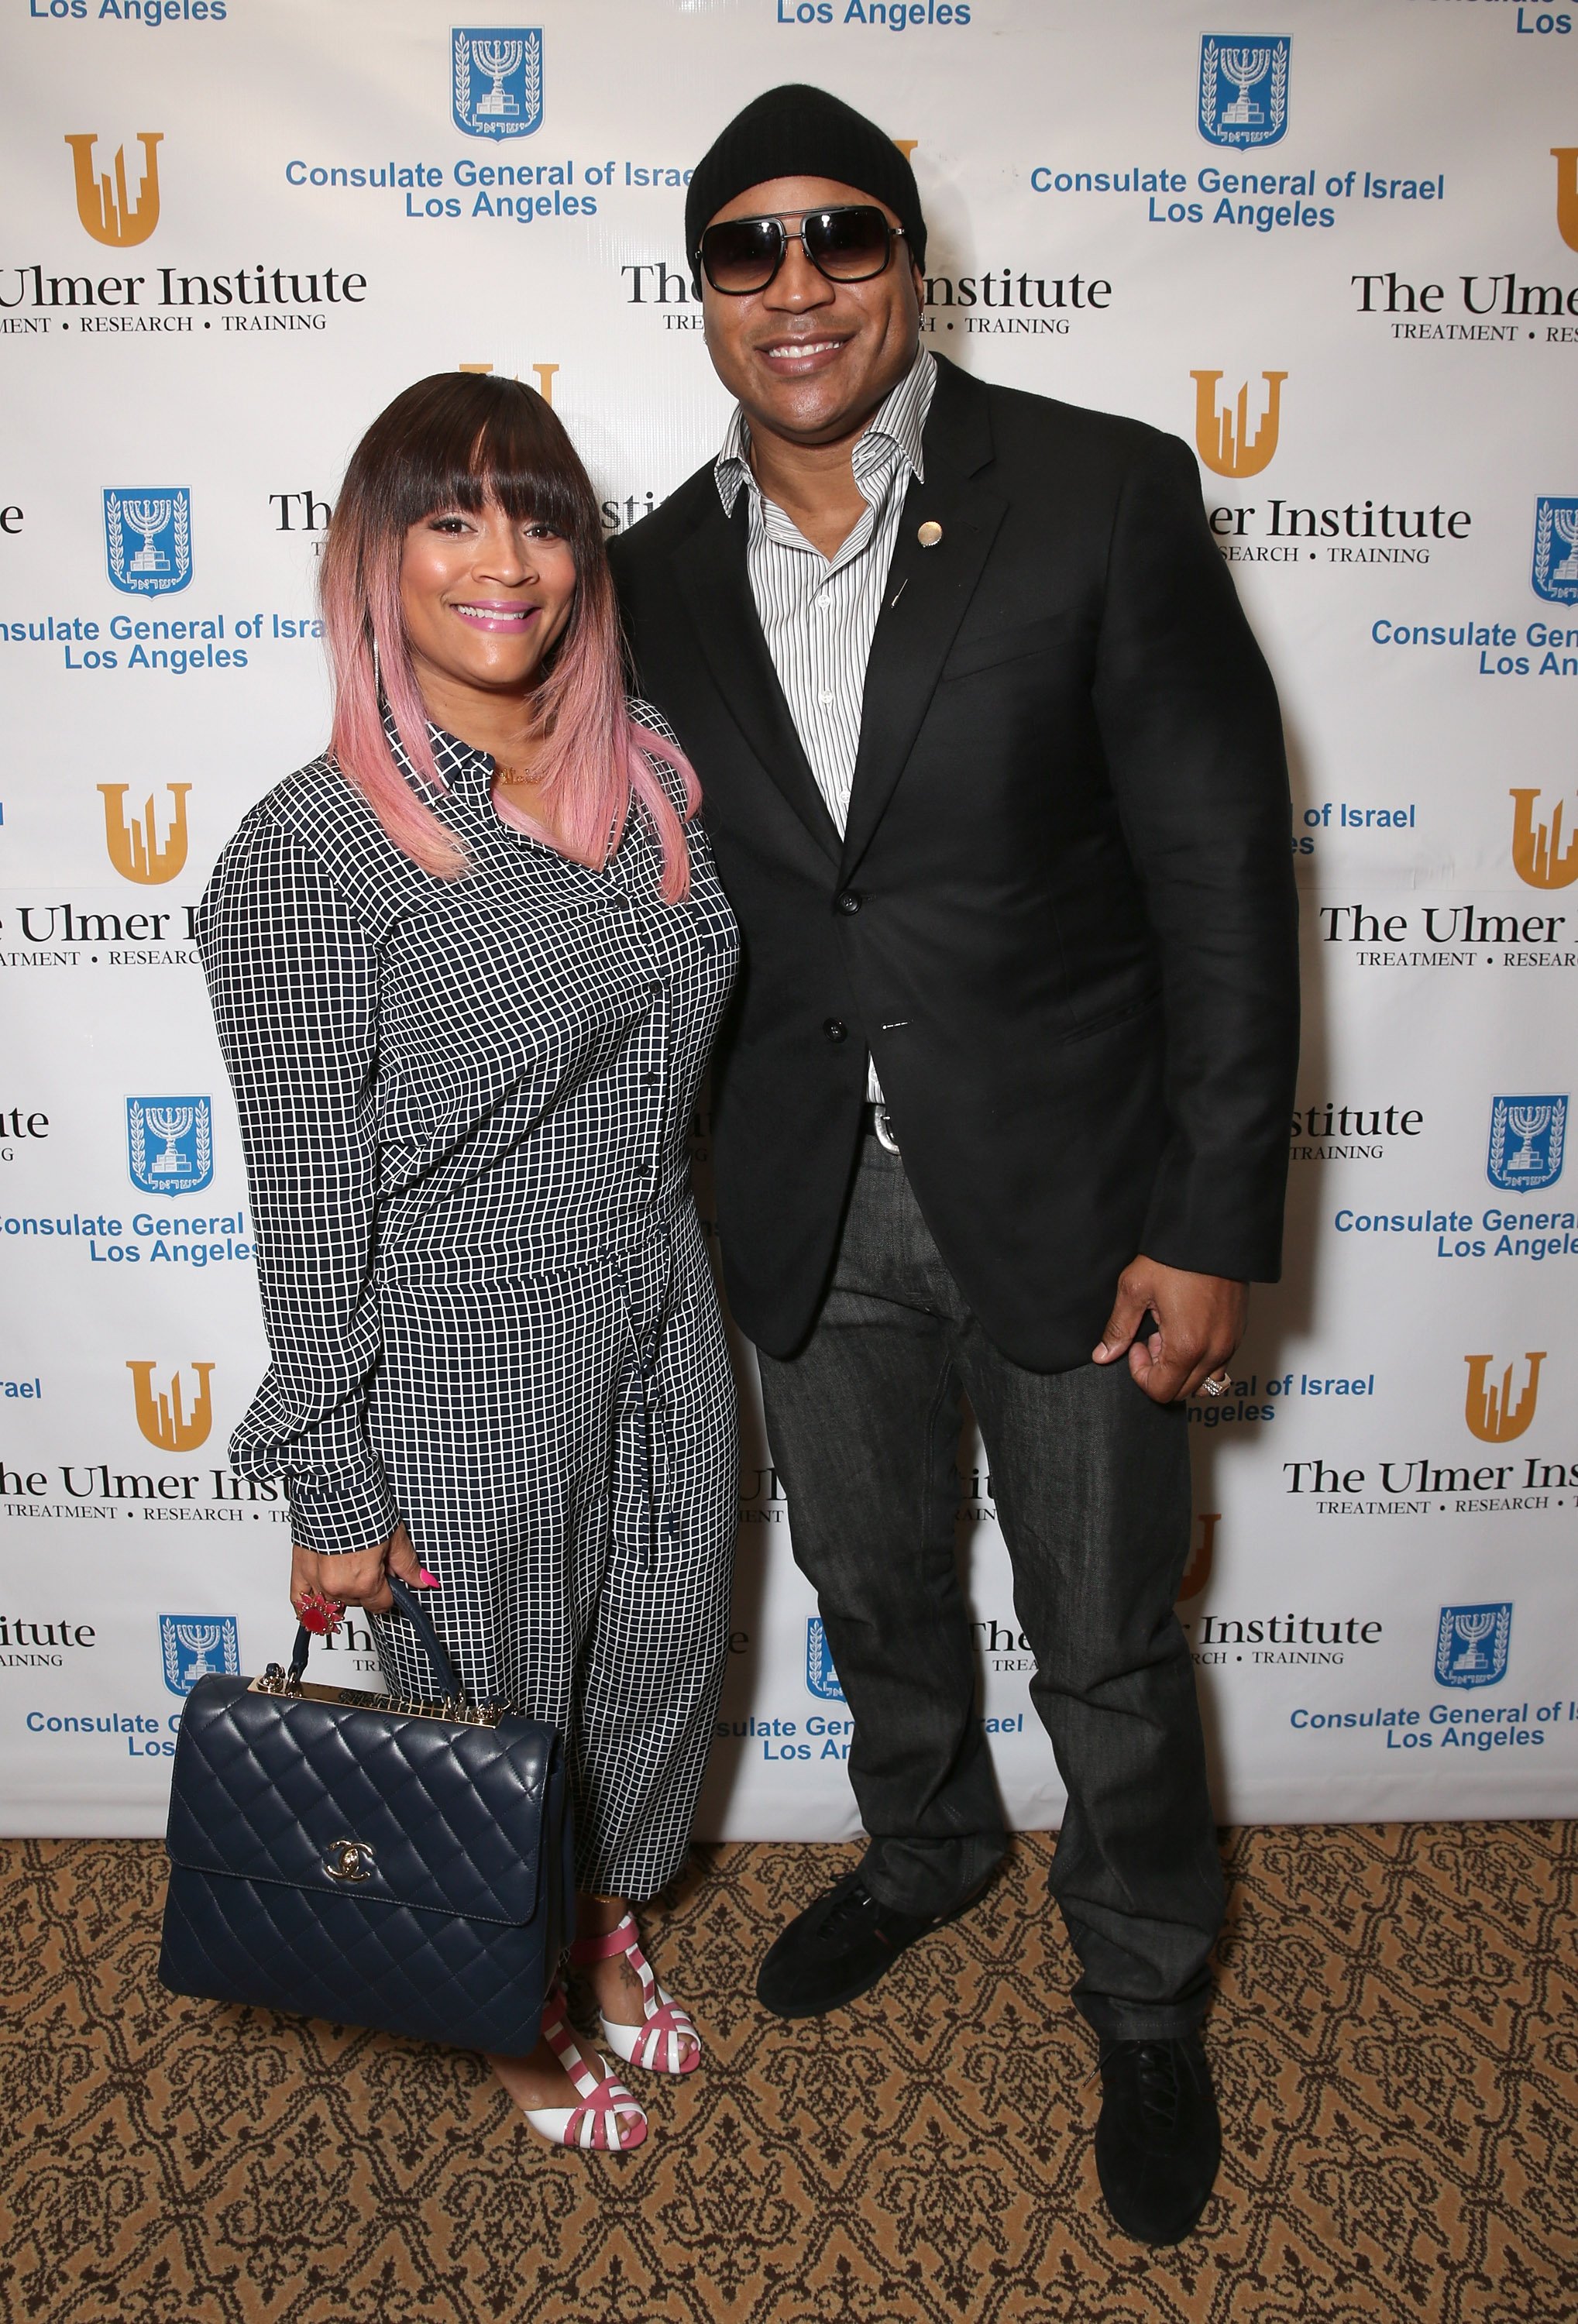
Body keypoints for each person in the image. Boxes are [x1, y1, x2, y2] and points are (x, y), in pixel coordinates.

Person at [609, 84, 1298, 2240]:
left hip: (1077, 1195)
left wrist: (1208, 1221)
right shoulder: (634, 574)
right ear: (702, 293)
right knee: (871, 1586)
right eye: (748, 249)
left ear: (908, 258)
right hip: (799, 1194)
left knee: (1099, 1632)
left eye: (840, 237)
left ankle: (1144, 1986)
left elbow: (1217, 885)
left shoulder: (1093, 493)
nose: (795, 286)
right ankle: (921, 1851)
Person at [198, 372, 740, 2154]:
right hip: (462, 1346)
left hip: (660, 1295)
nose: (504, 559)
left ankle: (591, 1925)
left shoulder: (642, 766)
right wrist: (333, 1480)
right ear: (376, 559)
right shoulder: (311, 853)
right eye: (451, 515)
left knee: (655, 1652)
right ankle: (499, 2010)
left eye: (541, 515)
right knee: (492, 1706)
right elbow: (304, 1202)